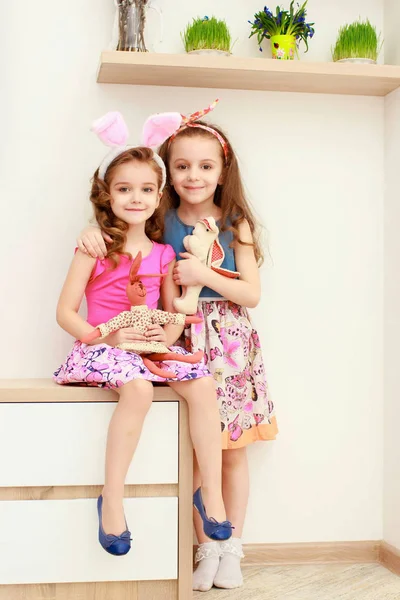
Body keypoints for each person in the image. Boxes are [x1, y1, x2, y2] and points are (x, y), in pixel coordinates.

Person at [77, 101, 277, 590]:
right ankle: (202, 549)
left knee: (231, 451)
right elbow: (123, 225)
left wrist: (204, 274)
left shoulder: (235, 223)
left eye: (205, 166)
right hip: (174, 338)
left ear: (222, 170)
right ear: (168, 175)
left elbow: (251, 293)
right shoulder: (162, 218)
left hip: (228, 341)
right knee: (191, 447)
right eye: (182, 166)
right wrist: (90, 229)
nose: (194, 176)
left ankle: (230, 549)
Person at [54, 111, 232, 558]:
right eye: (124, 189)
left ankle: (210, 493)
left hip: (148, 346)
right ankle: (111, 499)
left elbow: (172, 316)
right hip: (104, 348)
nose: (136, 198)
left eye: (146, 189)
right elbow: (65, 312)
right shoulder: (94, 247)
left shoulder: (164, 252)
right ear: (107, 195)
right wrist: (104, 336)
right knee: (138, 390)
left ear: (159, 196)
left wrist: (163, 332)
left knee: (203, 382)